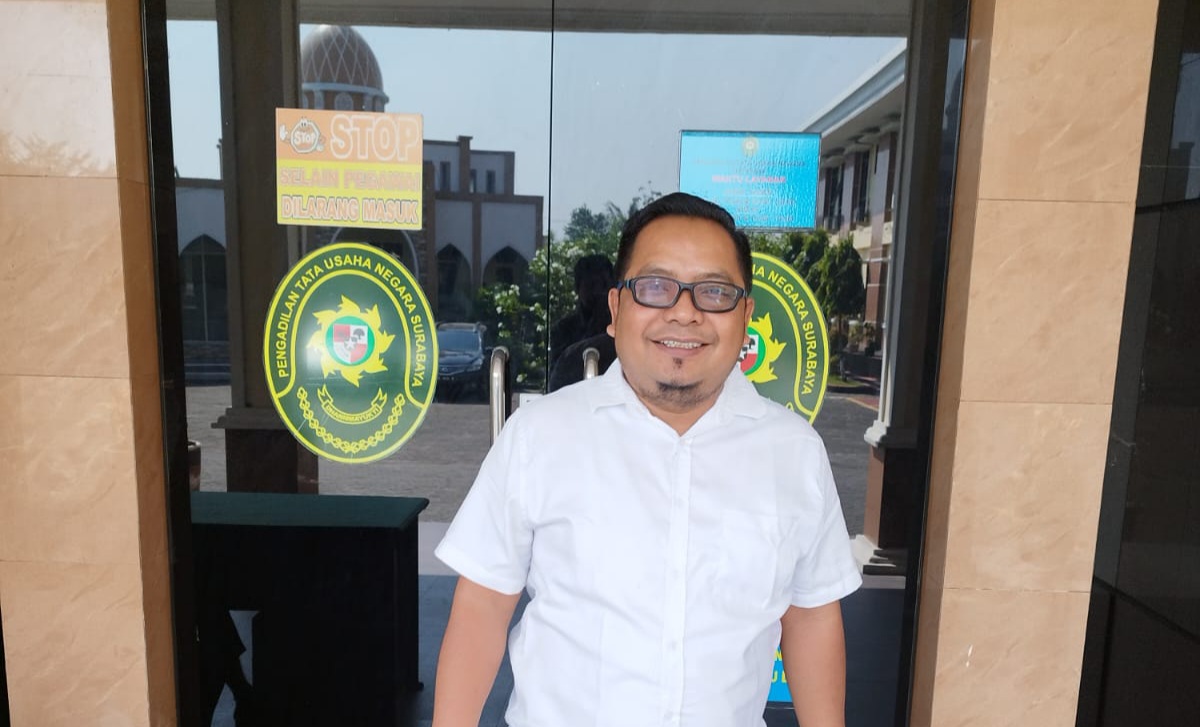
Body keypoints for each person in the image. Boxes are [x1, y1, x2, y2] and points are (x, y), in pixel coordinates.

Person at [433, 192, 861, 727]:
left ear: (745, 315)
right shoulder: (540, 436)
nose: (684, 313)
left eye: (714, 292)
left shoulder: (794, 453)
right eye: (656, 287)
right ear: (616, 311)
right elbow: (482, 607)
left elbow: (811, 616)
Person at [548, 253, 616, 368]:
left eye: (604, 285)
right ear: (578, 288)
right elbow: (560, 370)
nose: (598, 291)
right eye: (591, 285)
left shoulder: (622, 327)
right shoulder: (562, 330)